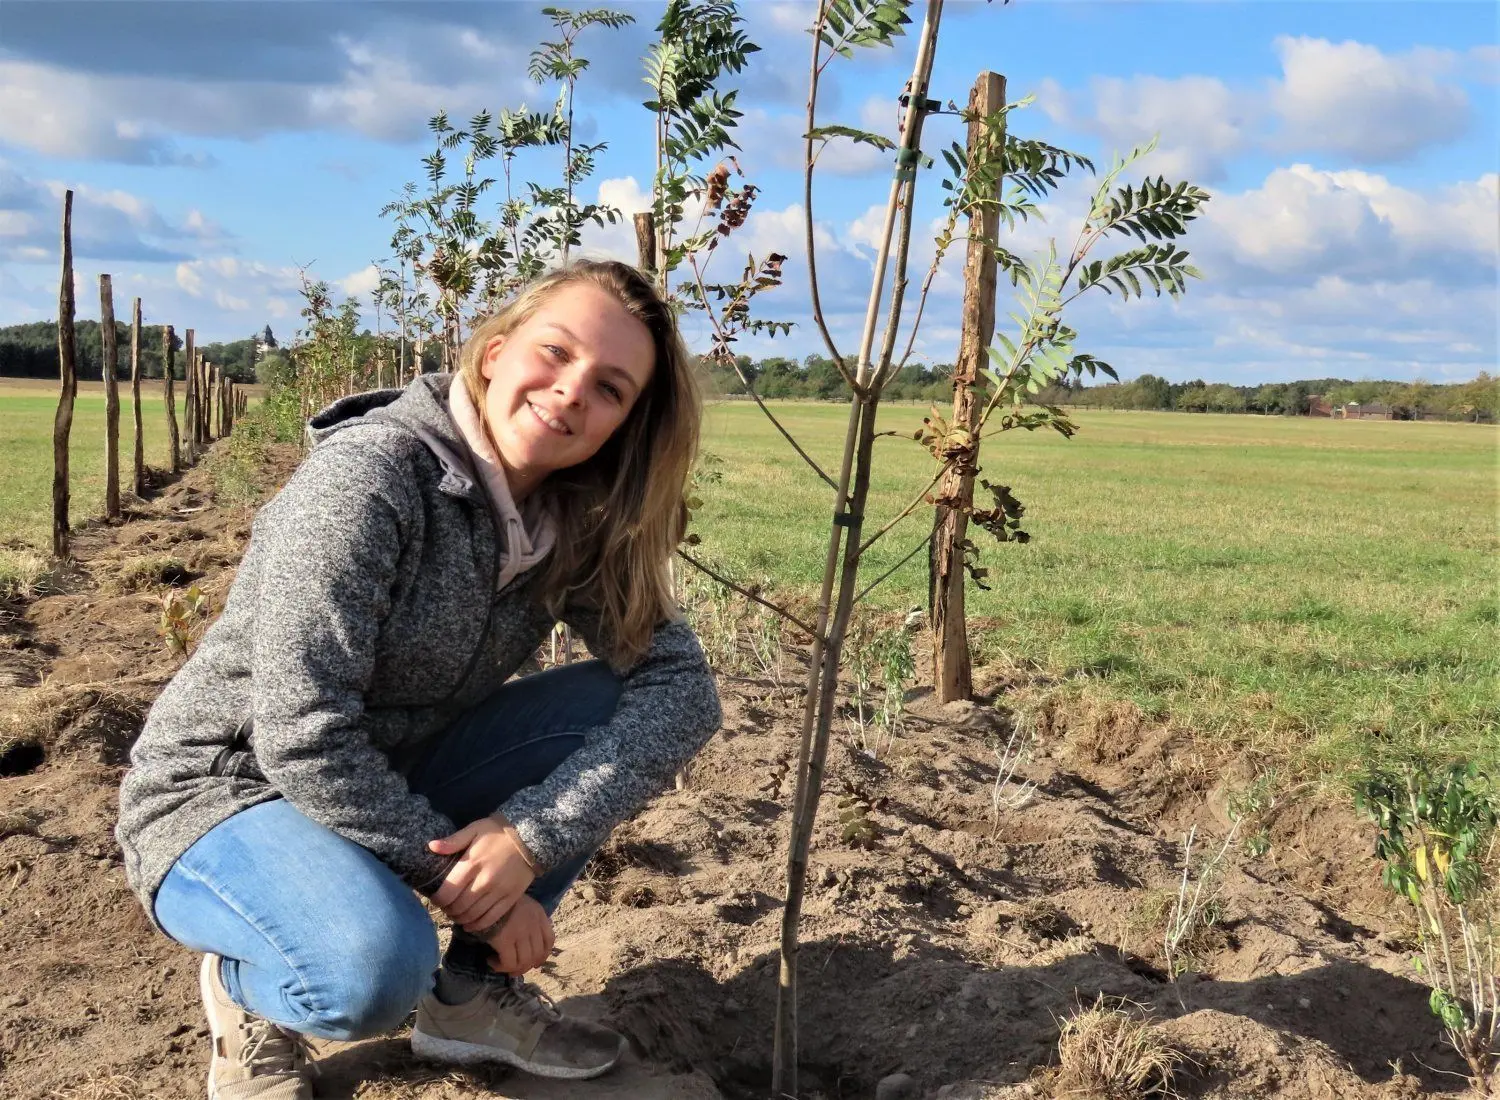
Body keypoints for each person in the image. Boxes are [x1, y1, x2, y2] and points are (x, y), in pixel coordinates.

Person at [116, 260, 723, 1098]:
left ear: (624, 422)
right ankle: (245, 984)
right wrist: (474, 891)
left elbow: (684, 689)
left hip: (386, 769)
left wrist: (526, 839)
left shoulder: (573, 522)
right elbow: (302, 733)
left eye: (610, 387)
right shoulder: (369, 482)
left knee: (616, 699)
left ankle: (473, 997)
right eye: (555, 352)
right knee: (371, 968)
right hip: (227, 791)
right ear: (495, 353)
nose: (572, 390)